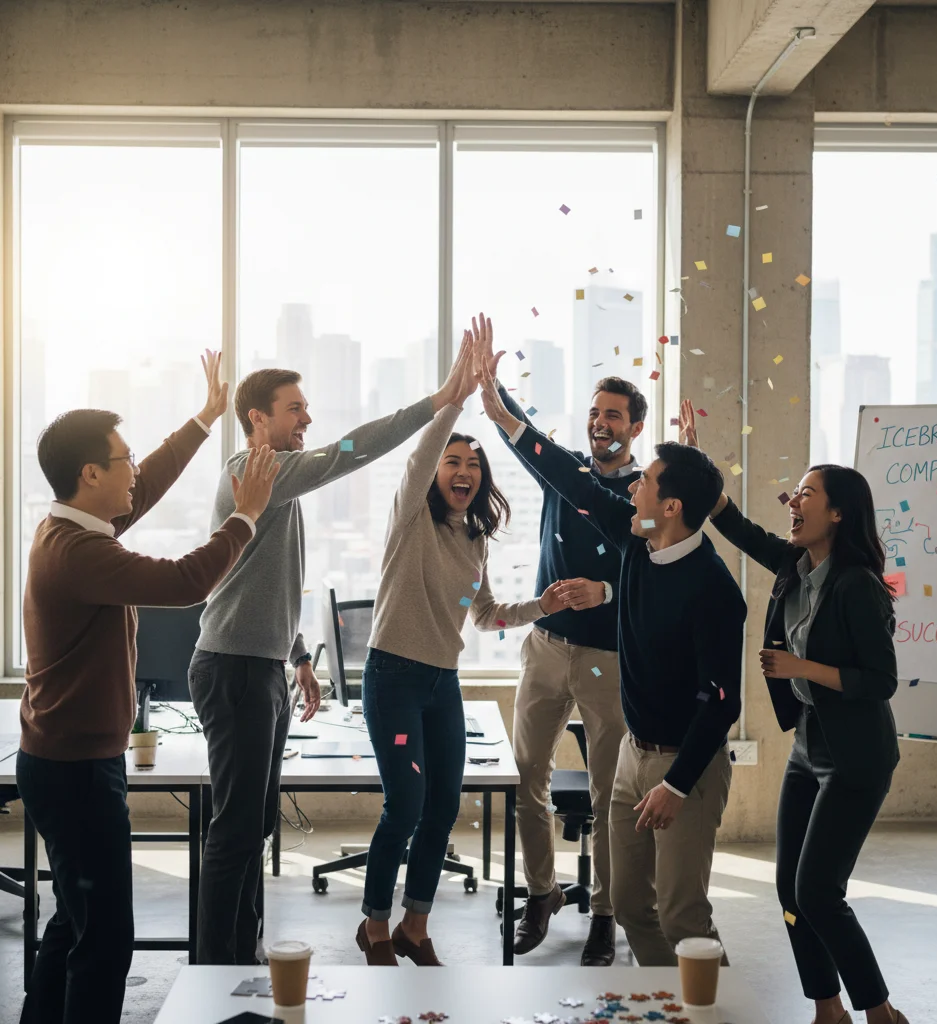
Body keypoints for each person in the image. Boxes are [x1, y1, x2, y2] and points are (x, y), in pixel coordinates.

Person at [18, 352, 279, 1024]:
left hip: (69, 762)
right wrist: (245, 516)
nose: (135, 468)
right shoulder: (80, 554)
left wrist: (203, 419)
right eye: (123, 458)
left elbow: (150, 482)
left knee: (73, 925)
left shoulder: (76, 527)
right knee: (105, 940)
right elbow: (185, 582)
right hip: (74, 772)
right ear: (90, 474)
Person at [479, 347, 746, 968]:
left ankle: (691, 997)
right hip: (621, 732)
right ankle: (650, 984)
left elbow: (721, 700)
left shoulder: (706, 584)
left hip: (677, 753)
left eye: (648, 484)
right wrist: (501, 410)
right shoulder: (637, 538)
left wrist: (678, 783)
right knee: (636, 907)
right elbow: (568, 480)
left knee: (680, 911)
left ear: (668, 504)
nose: (636, 492)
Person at [190, 358, 448, 966]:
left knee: (252, 827)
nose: (307, 418)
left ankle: (241, 958)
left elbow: (264, 582)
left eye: (306, 407)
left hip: (262, 666)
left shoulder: (273, 478)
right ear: (258, 418)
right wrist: (436, 402)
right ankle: (213, 970)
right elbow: (351, 451)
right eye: (294, 408)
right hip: (233, 669)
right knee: (235, 830)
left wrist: (299, 655)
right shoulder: (257, 470)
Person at [680, 398, 909, 1024]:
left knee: (818, 892)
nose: (794, 501)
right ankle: (826, 1008)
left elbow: (881, 681)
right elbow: (738, 527)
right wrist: (700, 468)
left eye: (809, 493)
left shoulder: (857, 584)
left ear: (838, 512)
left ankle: (880, 1011)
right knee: (789, 889)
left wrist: (802, 669)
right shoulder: (795, 566)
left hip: (859, 755)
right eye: (796, 491)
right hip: (810, 746)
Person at [357, 329, 566, 967]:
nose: (464, 472)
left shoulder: (471, 540)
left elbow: (485, 616)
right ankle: (373, 923)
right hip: (393, 677)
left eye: (473, 466)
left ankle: (415, 926)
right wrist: (457, 396)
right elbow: (420, 455)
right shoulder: (410, 519)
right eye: (454, 463)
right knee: (407, 804)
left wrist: (544, 606)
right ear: (435, 474)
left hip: (440, 683)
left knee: (444, 805)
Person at [476, 314, 641, 964]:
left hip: (608, 659)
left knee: (608, 795)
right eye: (596, 413)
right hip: (545, 649)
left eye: (615, 416)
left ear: (635, 427)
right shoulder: (564, 469)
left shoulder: (646, 494)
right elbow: (527, 443)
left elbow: (662, 574)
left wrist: (608, 592)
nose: (601, 423)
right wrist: (493, 393)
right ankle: (541, 892)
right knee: (527, 777)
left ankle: (604, 913)